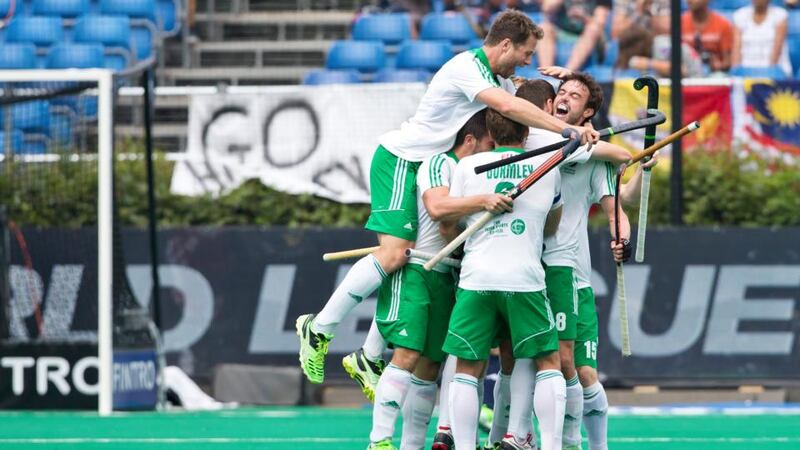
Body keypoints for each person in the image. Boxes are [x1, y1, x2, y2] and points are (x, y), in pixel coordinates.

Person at [295, 10, 599, 390]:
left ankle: (369, 355)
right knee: (395, 254)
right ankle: (319, 327)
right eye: (526, 52)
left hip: (434, 169)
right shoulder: (465, 67)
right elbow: (509, 109)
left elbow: (526, 111)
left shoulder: (499, 79)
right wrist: (568, 127)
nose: (527, 60)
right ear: (505, 44)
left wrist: (553, 92)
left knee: (416, 260)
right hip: (401, 161)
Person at [494, 73, 631, 450]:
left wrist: (624, 239)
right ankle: (511, 436)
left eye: (575, 96)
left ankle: (573, 442)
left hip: (569, 271)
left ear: (588, 112)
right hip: (524, 263)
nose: (565, 97)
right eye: (562, 92)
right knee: (518, 355)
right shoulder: (536, 136)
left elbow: (618, 203)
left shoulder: (588, 151)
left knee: (574, 365)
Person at [367, 111, 505, 450]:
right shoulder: (438, 163)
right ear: (470, 140)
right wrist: (485, 202)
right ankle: (379, 440)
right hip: (417, 269)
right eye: (487, 143)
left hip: (448, 274)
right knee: (407, 353)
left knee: (430, 365)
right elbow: (438, 209)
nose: (491, 150)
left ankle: (411, 445)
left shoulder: (473, 173)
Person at [442, 109, 567, 450]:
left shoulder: (467, 167)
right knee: (547, 361)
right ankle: (551, 445)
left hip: (476, 277)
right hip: (524, 278)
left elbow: (447, 225)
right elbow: (552, 225)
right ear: (526, 133)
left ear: (490, 135)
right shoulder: (547, 167)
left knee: (467, 367)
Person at [537, 0, 612, 71]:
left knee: (593, 29)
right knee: (544, 28)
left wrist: (583, 17)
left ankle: (567, 73)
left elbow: (599, 23)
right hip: (562, 32)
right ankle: (546, 73)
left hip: (589, 34)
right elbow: (546, 8)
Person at [616, 24, 706, 77]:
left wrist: (647, 64)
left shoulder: (661, 46)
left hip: (694, 82)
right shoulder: (652, 50)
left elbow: (680, 70)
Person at [732, 0, 792, 76]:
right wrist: (737, 73)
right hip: (746, 72)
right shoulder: (740, 15)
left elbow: (777, 51)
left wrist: (767, 74)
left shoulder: (780, 15)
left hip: (775, 72)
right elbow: (736, 50)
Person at [681, 0, 735, 73]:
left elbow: (728, 62)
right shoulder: (679, 23)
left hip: (714, 75)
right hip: (686, 74)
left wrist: (717, 64)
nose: (690, 1)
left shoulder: (722, 24)